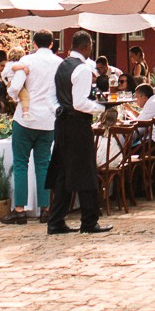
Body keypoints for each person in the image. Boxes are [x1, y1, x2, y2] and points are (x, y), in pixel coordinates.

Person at [46, 31, 112, 235]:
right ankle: (89, 222)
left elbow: (50, 95)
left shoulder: (62, 65)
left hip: (62, 123)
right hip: (77, 124)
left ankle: (55, 221)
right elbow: (80, 102)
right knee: (86, 172)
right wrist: (104, 110)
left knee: (64, 174)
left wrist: (57, 109)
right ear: (88, 46)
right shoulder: (82, 69)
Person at [5, 31, 61, 225]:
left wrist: (11, 92)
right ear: (52, 44)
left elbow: (16, 86)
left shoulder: (27, 61)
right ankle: (45, 209)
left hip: (25, 118)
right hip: (48, 119)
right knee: (43, 164)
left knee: (21, 163)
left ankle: (20, 209)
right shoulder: (58, 63)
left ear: (34, 43)